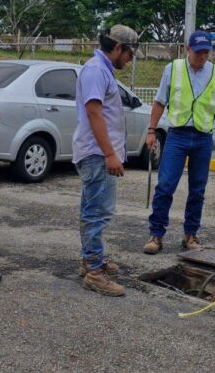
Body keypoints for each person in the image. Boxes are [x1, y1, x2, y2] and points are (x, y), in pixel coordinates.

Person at [142, 31, 215, 254]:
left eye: (206, 52)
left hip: (203, 137)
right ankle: (156, 234)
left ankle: (190, 235)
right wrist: (151, 130)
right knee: (165, 186)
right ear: (187, 49)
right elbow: (159, 102)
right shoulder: (173, 69)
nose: (203, 56)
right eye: (199, 52)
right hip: (177, 135)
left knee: (197, 190)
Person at [73, 24, 140, 296]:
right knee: (97, 212)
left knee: (95, 209)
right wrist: (110, 153)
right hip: (97, 153)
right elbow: (94, 113)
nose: (130, 59)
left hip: (99, 153)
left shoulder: (102, 70)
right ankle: (94, 271)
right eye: (129, 54)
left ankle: (91, 259)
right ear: (117, 48)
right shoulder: (96, 70)